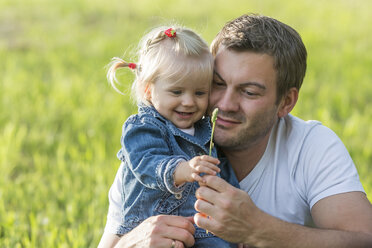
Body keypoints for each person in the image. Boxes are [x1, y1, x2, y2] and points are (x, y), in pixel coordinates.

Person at [99, 14, 372, 248]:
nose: (226, 104)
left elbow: (363, 239)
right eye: (217, 84)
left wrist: (257, 229)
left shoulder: (311, 146)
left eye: (249, 92)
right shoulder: (158, 146)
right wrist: (132, 242)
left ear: (286, 102)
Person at [100, 25, 239, 248]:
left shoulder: (207, 131)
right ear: (148, 89)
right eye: (177, 92)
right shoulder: (143, 127)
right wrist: (181, 169)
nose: (188, 102)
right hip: (151, 228)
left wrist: (237, 222)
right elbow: (146, 163)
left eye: (199, 93)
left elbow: (223, 176)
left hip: (203, 229)